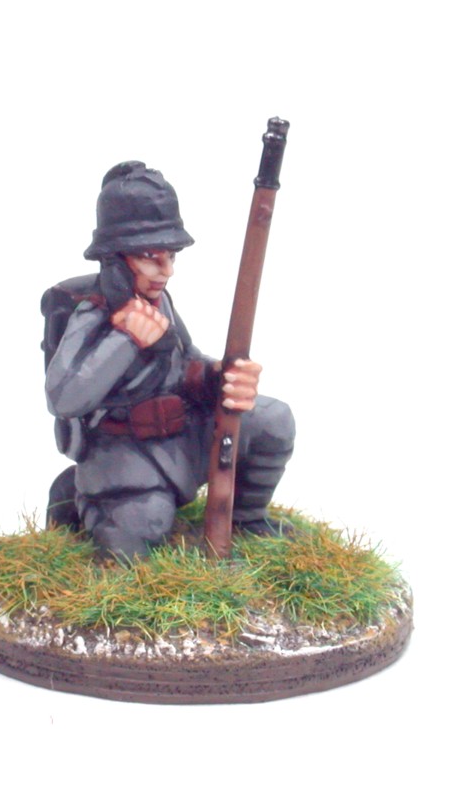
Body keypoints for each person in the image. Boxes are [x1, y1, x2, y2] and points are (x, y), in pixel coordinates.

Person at [43, 161, 295, 562]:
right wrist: (125, 340)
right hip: (122, 453)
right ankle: (85, 496)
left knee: (272, 421)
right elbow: (63, 397)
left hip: (180, 437)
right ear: (115, 258)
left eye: (171, 256)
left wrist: (220, 378)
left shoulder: (158, 300)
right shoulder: (92, 315)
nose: (167, 271)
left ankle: (246, 520)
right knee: (141, 531)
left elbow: (185, 362)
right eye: (151, 256)